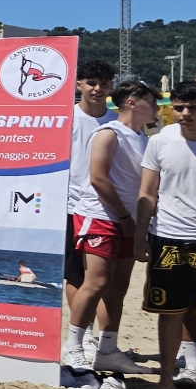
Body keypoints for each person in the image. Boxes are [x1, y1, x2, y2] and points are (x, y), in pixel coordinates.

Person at [70, 80, 157, 389]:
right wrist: (122, 216)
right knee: (95, 283)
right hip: (102, 216)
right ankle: (73, 347)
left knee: (118, 287)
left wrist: (136, 222)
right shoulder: (109, 133)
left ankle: (107, 350)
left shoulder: (142, 137)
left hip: (128, 219)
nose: (156, 107)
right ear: (131, 102)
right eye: (151, 101)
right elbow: (98, 178)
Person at [136, 81, 196, 389]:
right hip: (167, 238)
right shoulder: (160, 140)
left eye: (193, 108)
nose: (185, 113)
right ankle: (166, 380)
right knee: (169, 313)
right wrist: (140, 237)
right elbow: (147, 193)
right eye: (179, 107)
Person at [68, 60, 119, 335]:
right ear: (79, 85)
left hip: (105, 209)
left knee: (103, 281)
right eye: (91, 83)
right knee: (76, 276)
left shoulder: (116, 121)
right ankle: (84, 336)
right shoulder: (66, 118)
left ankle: (104, 340)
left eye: (104, 84)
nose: (98, 89)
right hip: (71, 206)